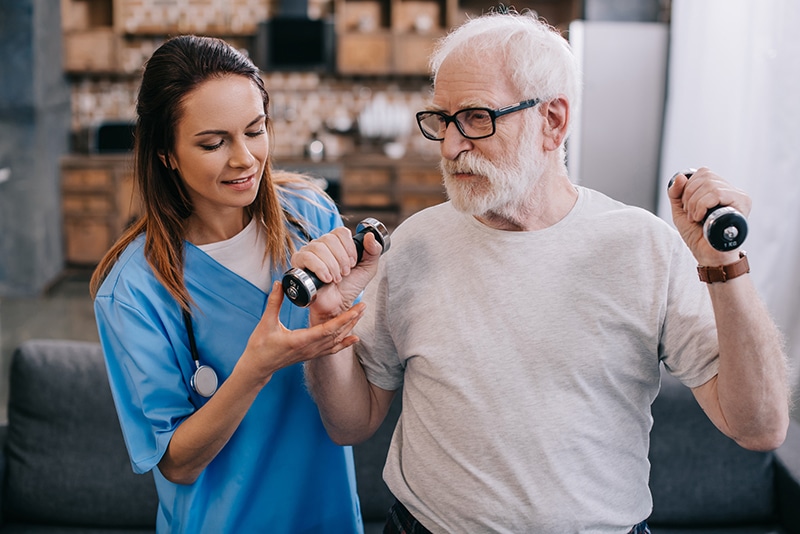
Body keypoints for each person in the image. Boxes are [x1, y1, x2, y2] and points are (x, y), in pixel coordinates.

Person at [294, 11, 791, 534]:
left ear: (552, 121)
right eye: (442, 119)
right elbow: (350, 423)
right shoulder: (413, 244)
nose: (450, 145)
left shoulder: (643, 246)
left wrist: (725, 267)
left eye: (477, 117)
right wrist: (325, 324)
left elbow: (759, 427)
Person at [90, 35, 367, 533]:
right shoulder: (133, 290)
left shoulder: (311, 215)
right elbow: (176, 463)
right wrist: (255, 368)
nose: (245, 159)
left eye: (255, 130)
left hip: (329, 517)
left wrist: (346, 304)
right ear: (166, 153)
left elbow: (358, 379)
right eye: (213, 143)